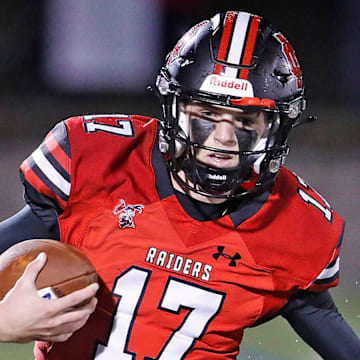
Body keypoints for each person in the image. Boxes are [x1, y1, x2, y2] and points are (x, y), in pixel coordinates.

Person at [0, 10, 359, 359]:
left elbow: (323, 319)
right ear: (175, 107)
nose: (223, 139)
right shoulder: (101, 164)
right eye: (206, 115)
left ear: (276, 127)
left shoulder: (294, 227)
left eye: (247, 120)